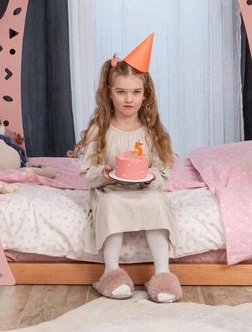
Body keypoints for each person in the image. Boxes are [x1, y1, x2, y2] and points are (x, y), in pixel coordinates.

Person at [70, 33, 182, 303]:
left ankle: (163, 274)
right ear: (109, 92)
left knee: (156, 202)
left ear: (145, 94)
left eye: (136, 92)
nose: (128, 99)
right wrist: (104, 175)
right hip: (111, 192)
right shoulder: (101, 130)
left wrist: (152, 178)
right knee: (111, 205)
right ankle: (111, 272)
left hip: (143, 191)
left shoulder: (152, 132)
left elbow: (162, 170)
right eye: (121, 92)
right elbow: (86, 173)